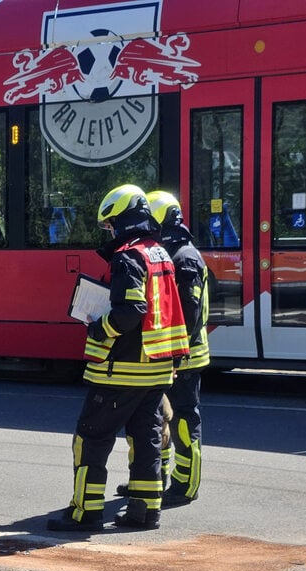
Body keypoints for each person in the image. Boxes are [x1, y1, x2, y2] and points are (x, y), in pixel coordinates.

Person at [46, 184, 189, 532]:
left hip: (120, 371)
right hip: (156, 369)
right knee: (146, 440)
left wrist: (99, 327)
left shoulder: (128, 257)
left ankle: (86, 512)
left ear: (122, 222)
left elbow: (131, 311)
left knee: (90, 438)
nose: (108, 232)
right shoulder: (160, 253)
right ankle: (144, 511)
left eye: (109, 225)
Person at [145, 190, 210, 507]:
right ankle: (158, 479)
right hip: (170, 356)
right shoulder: (170, 252)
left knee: (185, 422)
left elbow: (190, 314)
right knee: (162, 421)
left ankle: (186, 486)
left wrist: (175, 355)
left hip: (184, 358)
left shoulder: (184, 256)